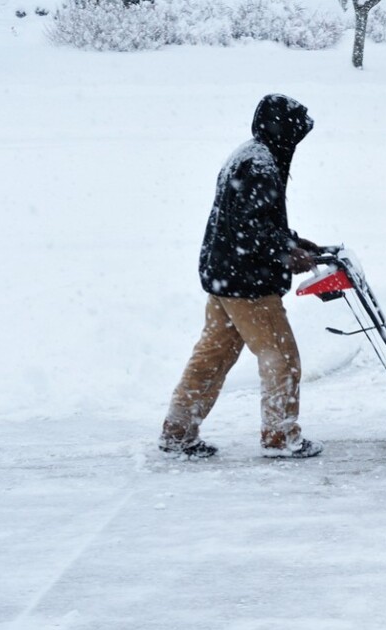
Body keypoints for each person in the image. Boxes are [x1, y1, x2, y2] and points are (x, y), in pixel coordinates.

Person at [159, 94, 323, 459]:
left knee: (212, 357)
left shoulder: (249, 155)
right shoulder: (259, 166)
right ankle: (281, 437)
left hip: (225, 278)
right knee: (281, 357)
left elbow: (254, 222)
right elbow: (250, 231)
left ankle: (178, 430)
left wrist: (294, 242)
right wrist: (285, 254)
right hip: (248, 284)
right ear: (282, 130)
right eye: (295, 133)